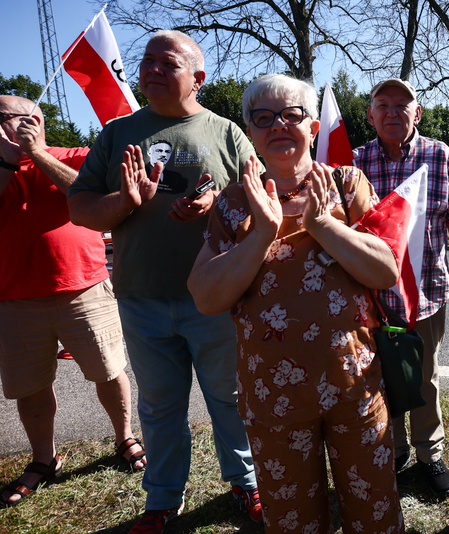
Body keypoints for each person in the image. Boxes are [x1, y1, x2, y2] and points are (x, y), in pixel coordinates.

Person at [187, 73, 404, 534]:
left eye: (292, 114)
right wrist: (260, 234)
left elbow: (385, 269)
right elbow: (205, 295)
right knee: (293, 523)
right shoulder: (233, 203)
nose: (279, 125)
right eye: (263, 118)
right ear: (250, 131)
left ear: (312, 128)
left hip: (354, 386)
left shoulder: (347, 184)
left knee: (375, 513)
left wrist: (325, 226)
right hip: (273, 398)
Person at [66, 31, 260, 533]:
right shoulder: (116, 134)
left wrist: (216, 204)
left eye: (166, 62)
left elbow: (260, 205)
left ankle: (247, 484)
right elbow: (81, 208)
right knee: (160, 407)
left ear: (198, 78)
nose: (151, 68)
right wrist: (125, 201)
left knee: (229, 401)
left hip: (216, 298)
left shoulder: (227, 134)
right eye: (146, 60)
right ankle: (162, 500)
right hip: (141, 298)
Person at [0, 96, 146, 506]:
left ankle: (124, 437)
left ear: (33, 120)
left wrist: (38, 154)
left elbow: (91, 197)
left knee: (109, 370)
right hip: (13, 299)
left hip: (83, 288)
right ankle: (43, 459)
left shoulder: (79, 156)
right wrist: (11, 160)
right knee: (29, 387)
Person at [353, 78, 449, 499]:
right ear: (370, 115)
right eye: (382, 105)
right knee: (381, 378)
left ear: (417, 113)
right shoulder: (353, 163)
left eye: (402, 105)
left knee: (425, 377)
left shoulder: (438, 156)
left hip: (426, 294)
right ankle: (394, 449)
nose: (392, 112)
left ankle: (429, 453)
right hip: (370, 298)